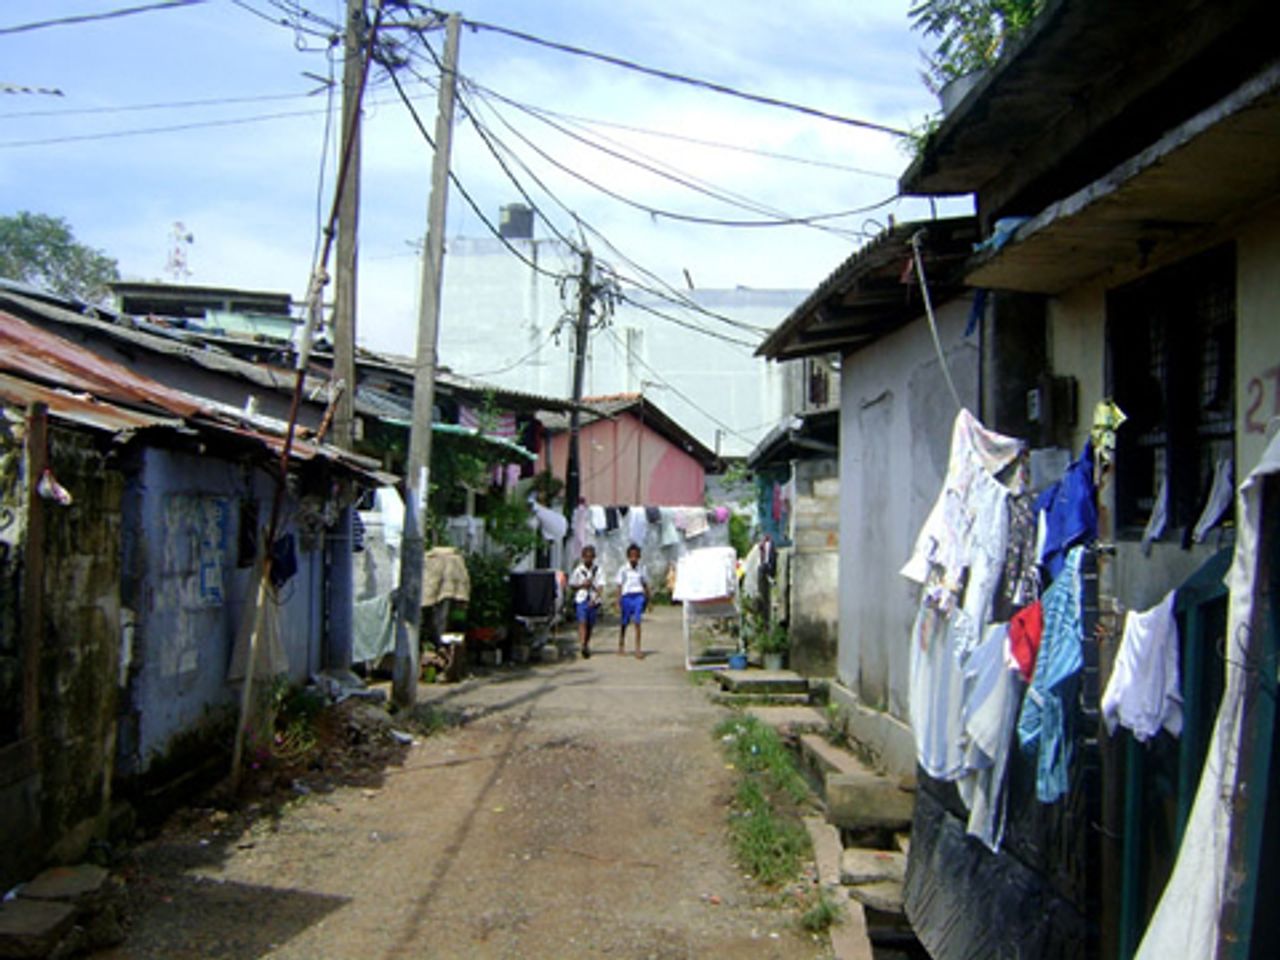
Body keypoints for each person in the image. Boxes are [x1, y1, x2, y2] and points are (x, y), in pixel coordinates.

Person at [568, 544, 605, 658]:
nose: (588, 559)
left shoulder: (598, 570)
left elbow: (600, 587)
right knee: (582, 622)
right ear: (583, 557)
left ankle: (586, 642)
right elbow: (572, 585)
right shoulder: (578, 570)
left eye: (591, 557)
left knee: (590, 624)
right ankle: (583, 645)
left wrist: (594, 599)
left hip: (593, 600)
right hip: (581, 598)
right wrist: (582, 585)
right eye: (586, 557)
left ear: (594, 557)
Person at [616, 542, 651, 658]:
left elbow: (645, 584)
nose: (634, 558)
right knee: (624, 623)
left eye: (636, 556)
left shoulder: (642, 569)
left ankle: (638, 648)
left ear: (639, 557)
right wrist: (618, 600)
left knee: (637, 622)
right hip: (626, 597)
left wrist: (649, 600)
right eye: (631, 556)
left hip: (638, 596)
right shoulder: (623, 570)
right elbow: (619, 585)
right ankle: (621, 644)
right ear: (628, 556)